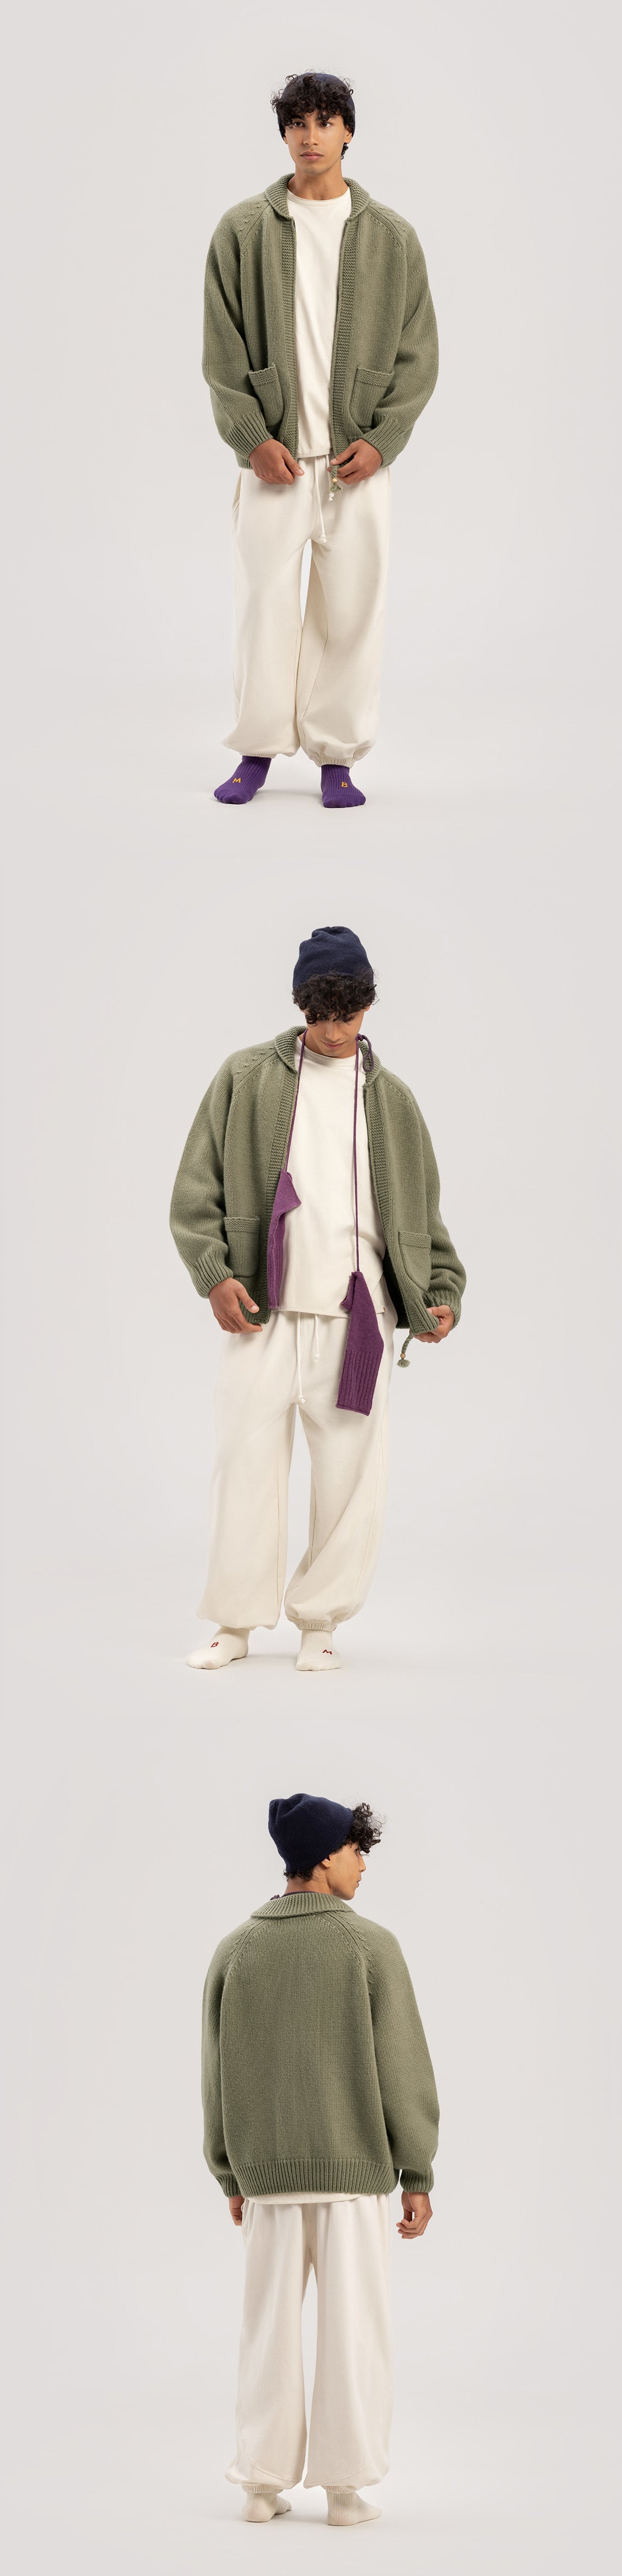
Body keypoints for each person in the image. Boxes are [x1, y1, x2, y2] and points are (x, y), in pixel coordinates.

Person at [169, 923, 465, 1672]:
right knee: (243, 1467)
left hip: (357, 1321)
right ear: (301, 1006)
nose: (334, 1032)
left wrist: (439, 1291)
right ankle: (235, 1624)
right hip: (262, 1314)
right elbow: (196, 1188)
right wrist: (213, 1272)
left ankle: (320, 1624)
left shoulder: (393, 1102)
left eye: (348, 1015)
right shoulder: (245, 1077)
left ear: (368, 1007)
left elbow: (423, 1214)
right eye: (320, 1015)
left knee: (349, 1477)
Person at [203, 68, 439, 808]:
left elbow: (419, 354)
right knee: (262, 608)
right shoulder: (242, 230)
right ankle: (256, 750)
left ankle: (337, 759)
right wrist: (251, 437)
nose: (311, 136)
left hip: (355, 463)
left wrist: (385, 438)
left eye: (325, 121)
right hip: (273, 461)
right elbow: (222, 350)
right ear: (284, 135)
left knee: (352, 612)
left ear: (348, 132)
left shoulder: (392, 237)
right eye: (298, 123)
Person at [202, 1792, 439, 2524]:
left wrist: (230, 2173)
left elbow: (217, 2073)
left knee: (266, 2332)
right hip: (352, 2178)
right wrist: (417, 2172)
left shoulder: (236, 1950)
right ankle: (345, 2491)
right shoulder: (370, 1947)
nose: (363, 1865)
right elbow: (403, 2067)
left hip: (266, 2179)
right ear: (328, 1856)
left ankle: (260, 2486)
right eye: (357, 1851)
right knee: (354, 2331)